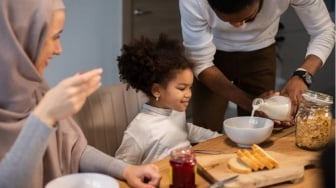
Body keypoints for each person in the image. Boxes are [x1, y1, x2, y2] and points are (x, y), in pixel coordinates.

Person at [0, 0, 161, 187]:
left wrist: (126, 170)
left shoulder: (35, 88)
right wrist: (44, 116)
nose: (59, 50)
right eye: (54, 37)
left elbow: (75, 150)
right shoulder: (43, 101)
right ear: (21, 36)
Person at [179, 0, 335, 132]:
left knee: (262, 128)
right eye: (226, 20)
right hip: (212, 57)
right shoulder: (193, 2)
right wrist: (253, 102)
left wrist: (303, 75)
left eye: (247, 18)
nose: (238, 27)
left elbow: (324, 30)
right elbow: (200, 61)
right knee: (206, 128)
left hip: (261, 48)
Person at [115, 34, 221, 165]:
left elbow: (183, 129)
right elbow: (121, 167)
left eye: (190, 87)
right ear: (157, 90)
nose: (189, 94)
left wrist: (217, 138)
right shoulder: (140, 129)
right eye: (182, 88)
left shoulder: (176, 110)